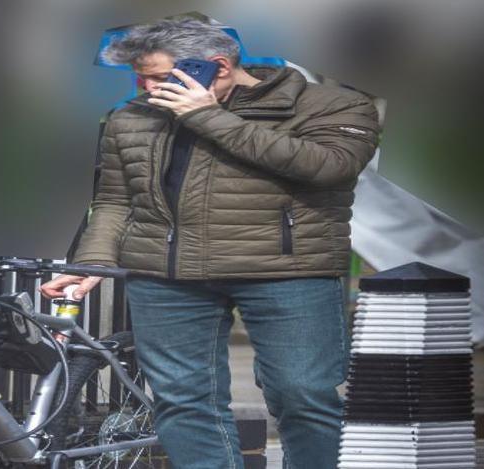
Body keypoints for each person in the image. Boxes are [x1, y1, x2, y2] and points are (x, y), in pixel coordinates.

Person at [40, 18, 381, 469]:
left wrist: (206, 117)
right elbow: (115, 201)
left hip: (287, 272)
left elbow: (330, 167)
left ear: (217, 67)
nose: (145, 87)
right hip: (165, 277)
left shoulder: (329, 105)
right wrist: (93, 264)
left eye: (159, 76)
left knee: (303, 395)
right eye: (139, 77)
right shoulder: (133, 117)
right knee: (183, 402)